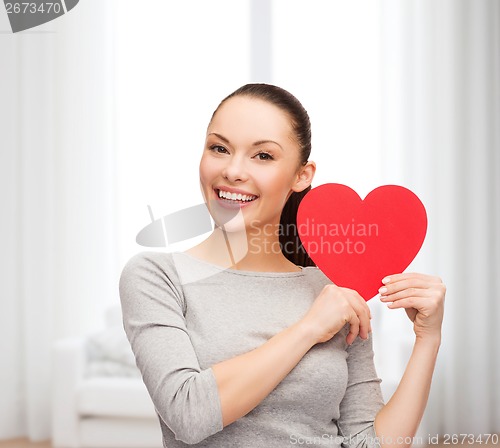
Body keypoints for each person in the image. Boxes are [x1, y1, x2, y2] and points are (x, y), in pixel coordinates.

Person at [119, 83, 446, 447]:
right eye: (219, 148)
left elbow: (368, 443)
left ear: (301, 176)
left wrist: (427, 339)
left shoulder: (335, 290)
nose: (233, 170)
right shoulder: (157, 276)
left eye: (263, 156)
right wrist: (308, 328)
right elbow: (188, 414)